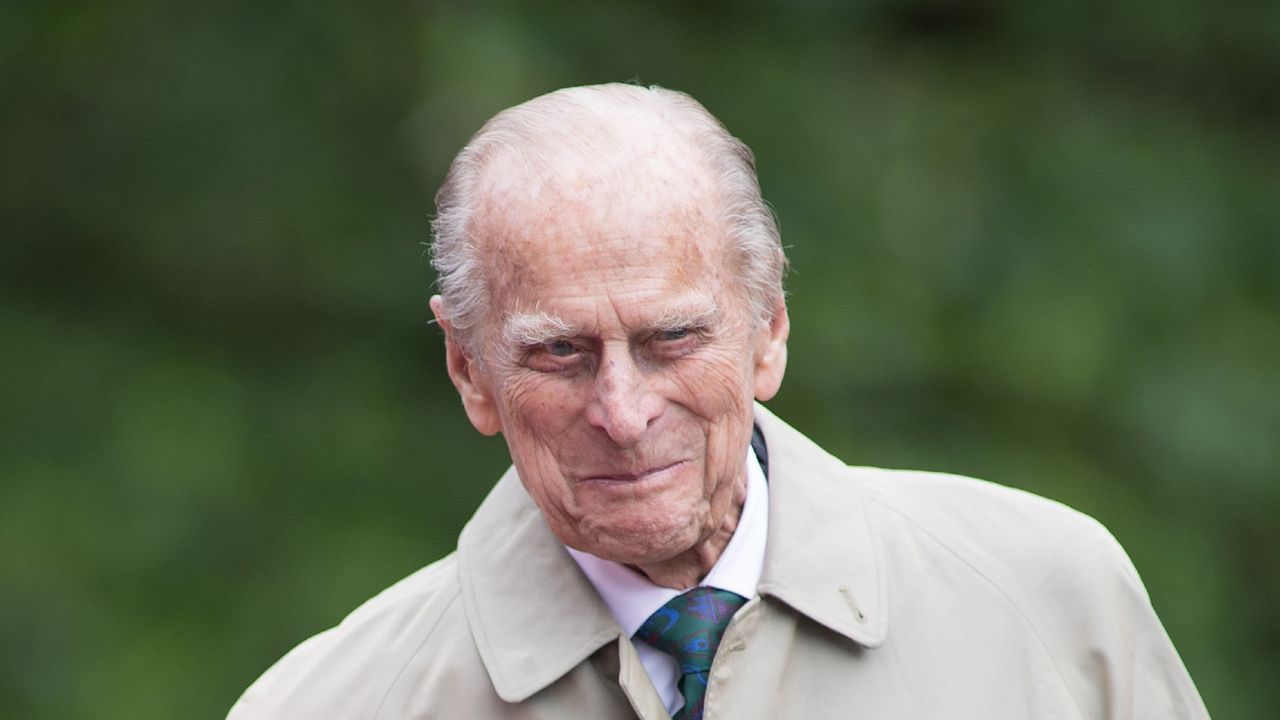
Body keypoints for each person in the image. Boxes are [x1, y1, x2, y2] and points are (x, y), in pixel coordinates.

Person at [227, 84, 1208, 719]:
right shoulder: (329, 705)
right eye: (561, 352)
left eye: (670, 340)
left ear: (768, 328)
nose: (621, 409)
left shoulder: (1045, 602)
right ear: (468, 370)